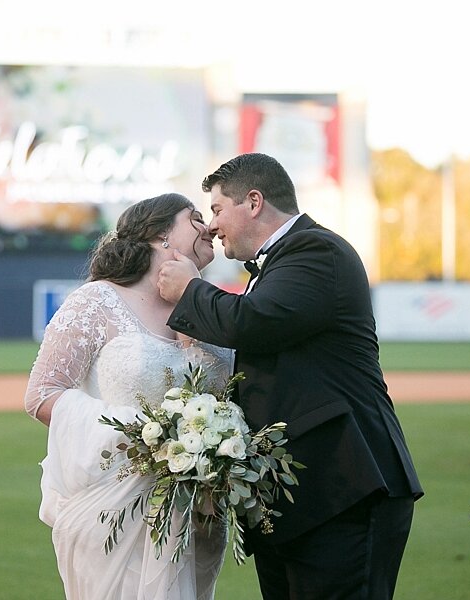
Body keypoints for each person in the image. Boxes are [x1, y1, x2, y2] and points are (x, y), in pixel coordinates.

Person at [158, 153, 423, 600]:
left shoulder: (316, 251)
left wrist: (190, 289)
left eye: (219, 210)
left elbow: (252, 322)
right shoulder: (280, 262)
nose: (212, 227)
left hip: (347, 490)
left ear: (254, 202)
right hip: (303, 500)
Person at [24, 193, 232, 599]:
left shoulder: (214, 306)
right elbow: (42, 393)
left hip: (196, 511)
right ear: (160, 236)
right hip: (115, 505)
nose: (208, 226)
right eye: (194, 218)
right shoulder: (96, 300)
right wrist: (144, 436)